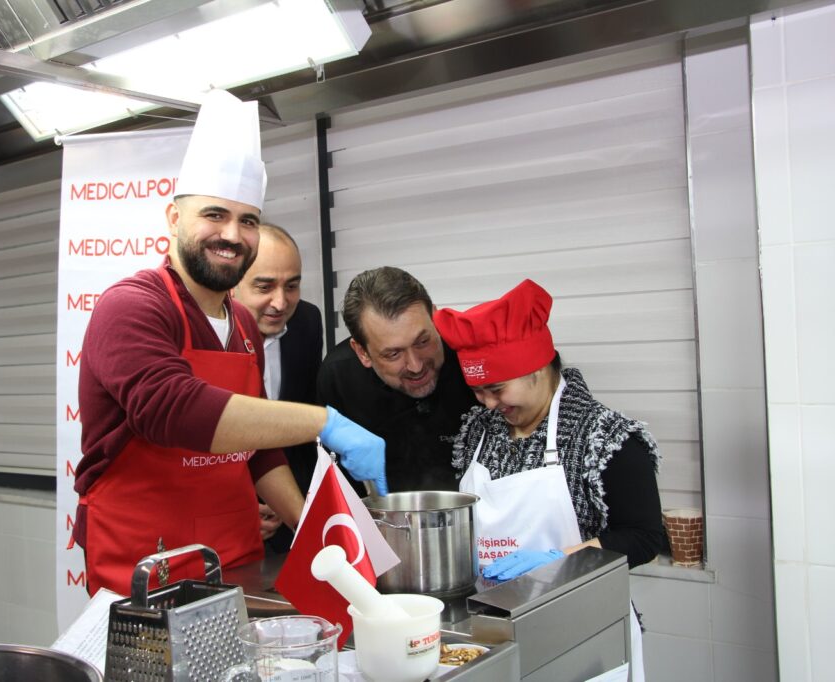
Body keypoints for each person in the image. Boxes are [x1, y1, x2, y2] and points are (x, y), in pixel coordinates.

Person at [71, 89, 386, 597]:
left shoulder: (242, 323)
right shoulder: (131, 306)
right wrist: (324, 422)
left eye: (248, 220)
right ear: (174, 219)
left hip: (234, 555)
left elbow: (256, 449)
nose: (233, 234)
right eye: (214, 214)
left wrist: (320, 533)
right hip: (148, 563)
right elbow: (174, 410)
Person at [433, 278, 665, 681]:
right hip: (492, 630)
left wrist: (562, 560)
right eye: (477, 391)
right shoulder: (476, 431)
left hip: (583, 630)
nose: (487, 403)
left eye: (496, 389)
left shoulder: (606, 437)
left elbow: (645, 538)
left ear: (537, 367)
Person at [317, 267, 476, 493]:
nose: (416, 366)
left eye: (423, 342)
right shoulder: (339, 379)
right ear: (362, 352)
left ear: (435, 317)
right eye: (393, 354)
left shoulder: (473, 352)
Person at [232, 223, 324, 551]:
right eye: (264, 286)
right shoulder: (202, 334)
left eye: (292, 286)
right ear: (232, 285)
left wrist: (295, 508)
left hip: (289, 515)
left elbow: (298, 428)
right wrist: (237, 506)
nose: (281, 302)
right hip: (222, 515)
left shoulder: (307, 322)